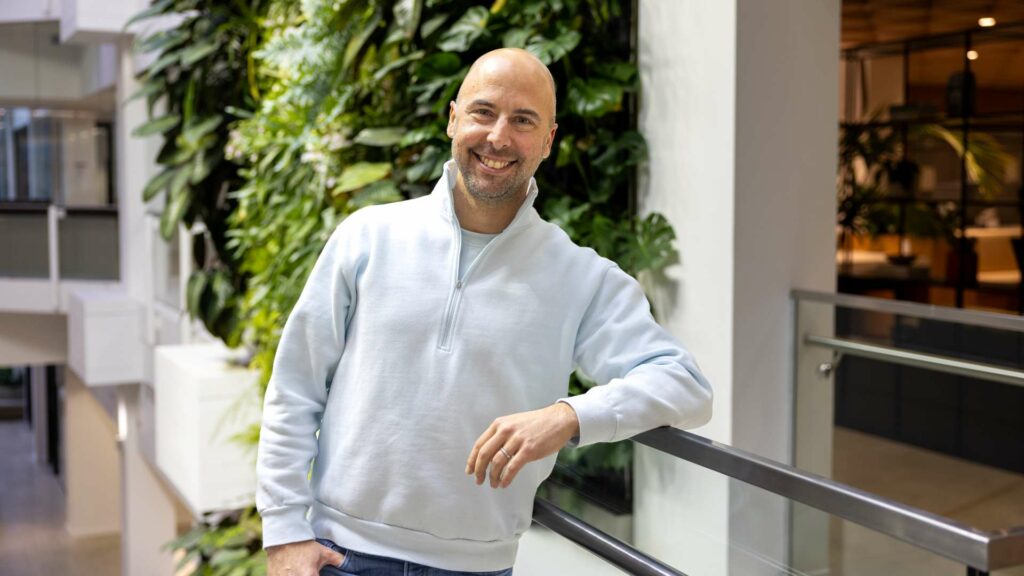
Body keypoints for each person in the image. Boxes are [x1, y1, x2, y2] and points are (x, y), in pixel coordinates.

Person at [257, 47, 713, 576]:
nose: (499, 137)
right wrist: (284, 534)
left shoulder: (580, 276)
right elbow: (295, 387)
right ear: (453, 117)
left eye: (523, 121)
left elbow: (685, 384)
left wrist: (568, 417)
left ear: (548, 140)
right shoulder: (367, 236)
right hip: (340, 554)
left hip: (477, 569)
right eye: (483, 112)